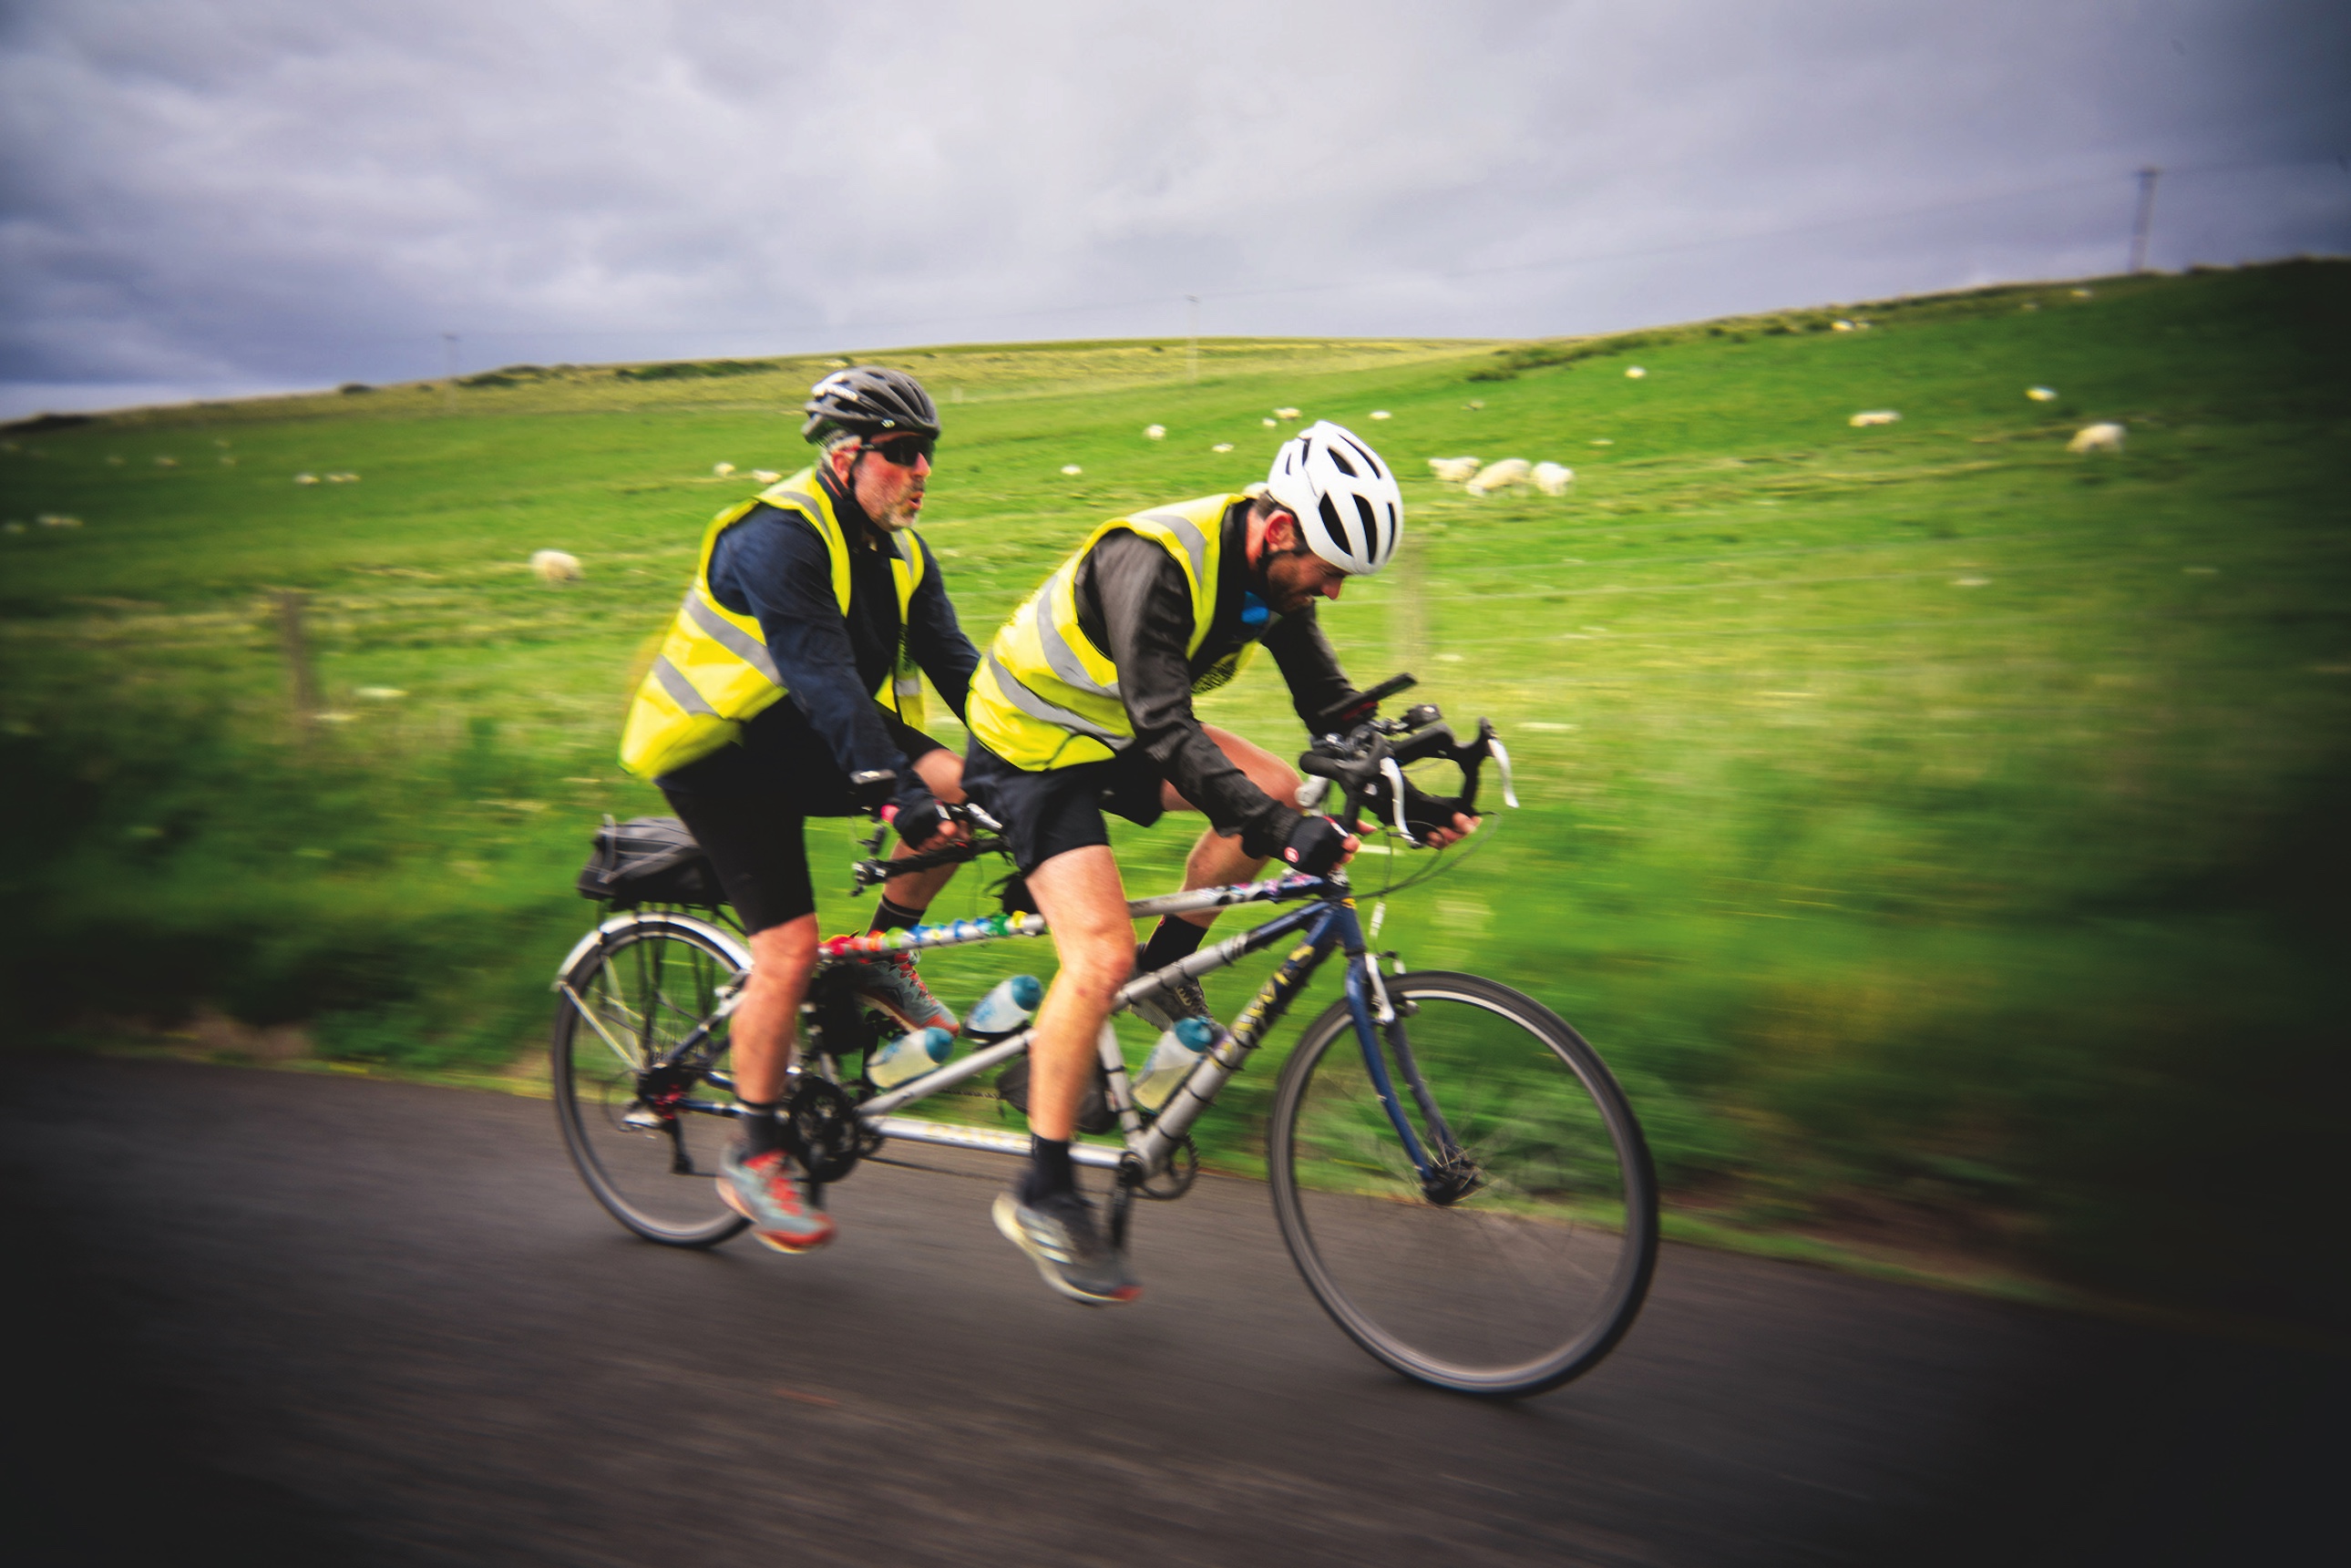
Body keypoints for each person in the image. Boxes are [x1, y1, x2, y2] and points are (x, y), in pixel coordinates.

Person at [960, 420, 1480, 1304]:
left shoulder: (1277, 581)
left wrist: (1407, 795)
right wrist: (1280, 830)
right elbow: (1168, 727)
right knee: (1099, 951)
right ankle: (1042, 1190)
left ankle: (1168, 971)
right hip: (1031, 748)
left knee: (1279, 785)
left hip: (1115, 735)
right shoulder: (1155, 562)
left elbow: (1331, 707)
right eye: (1328, 571)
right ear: (1280, 531)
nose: (1334, 593)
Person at [618, 366, 981, 1256]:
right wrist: (896, 795)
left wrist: (1040, 758)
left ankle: (873, 964)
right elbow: (821, 675)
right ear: (847, 455)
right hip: (715, 750)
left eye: (928, 453)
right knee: (786, 941)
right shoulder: (780, 535)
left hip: (803, 731)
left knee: (970, 790)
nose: (921, 470)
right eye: (901, 454)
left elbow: (959, 666)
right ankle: (755, 1149)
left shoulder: (903, 549)